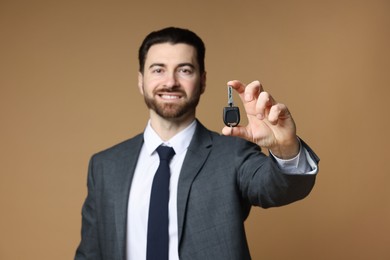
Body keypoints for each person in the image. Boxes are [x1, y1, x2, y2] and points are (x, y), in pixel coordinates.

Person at [75, 27, 319, 260]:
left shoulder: (232, 155)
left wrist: (284, 147)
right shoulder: (105, 166)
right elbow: (90, 253)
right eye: (158, 70)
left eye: (184, 70)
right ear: (141, 80)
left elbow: (279, 188)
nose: (170, 82)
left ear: (202, 81)